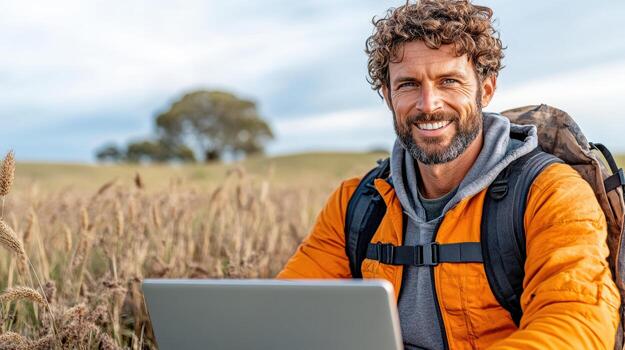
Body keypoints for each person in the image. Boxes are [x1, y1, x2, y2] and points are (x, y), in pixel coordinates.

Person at [277, 1, 620, 349]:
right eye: (409, 84)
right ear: (387, 95)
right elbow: (283, 316)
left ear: (485, 90)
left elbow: (578, 323)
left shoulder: (550, 193)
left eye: (449, 81)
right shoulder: (357, 203)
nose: (429, 104)